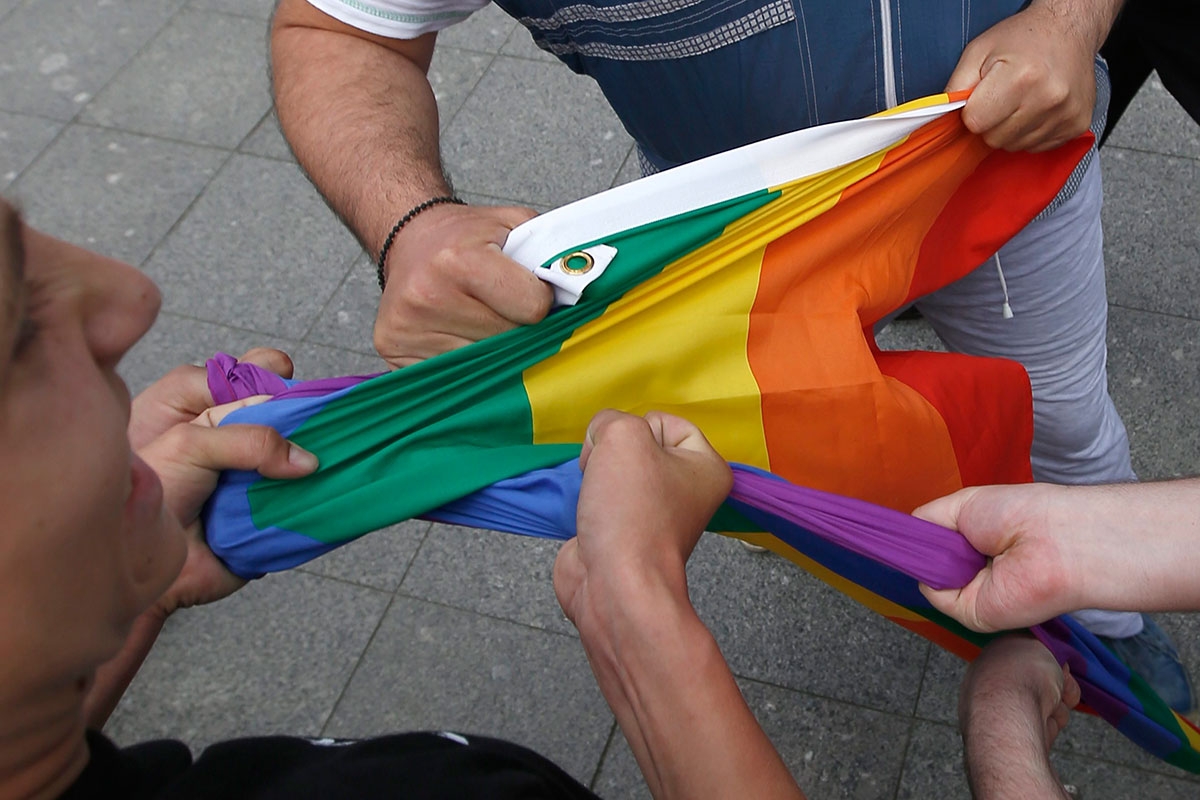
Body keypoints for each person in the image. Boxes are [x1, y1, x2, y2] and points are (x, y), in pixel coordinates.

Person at [268, 0, 1194, 710]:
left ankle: (1111, 624)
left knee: (1064, 420)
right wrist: (412, 226)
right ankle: (826, 514)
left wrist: (1071, 20)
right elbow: (338, 28)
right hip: (734, 239)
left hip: (996, 170)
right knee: (781, 431)